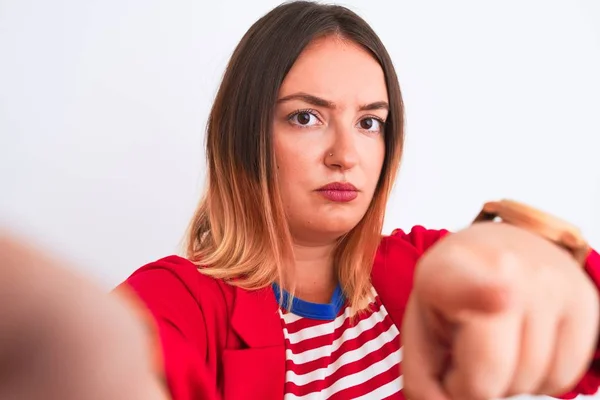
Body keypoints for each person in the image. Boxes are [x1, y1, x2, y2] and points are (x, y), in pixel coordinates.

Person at [1, 1, 599, 399]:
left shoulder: (424, 268)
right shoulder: (179, 300)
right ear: (245, 134)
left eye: (370, 122)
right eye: (307, 117)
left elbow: (552, 310)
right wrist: (79, 344)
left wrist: (563, 272)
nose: (346, 154)